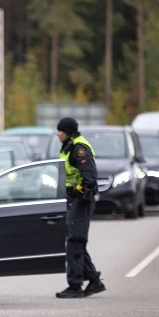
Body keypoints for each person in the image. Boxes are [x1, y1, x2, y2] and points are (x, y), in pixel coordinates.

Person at [55, 117, 106, 299]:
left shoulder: (79, 148)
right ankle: (94, 281)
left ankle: (75, 286)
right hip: (74, 199)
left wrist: (80, 193)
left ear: (67, 132)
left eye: (59, 130)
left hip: (82, 200)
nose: (57, 133)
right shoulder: (69, 146)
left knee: (75, 241)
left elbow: (89, 177)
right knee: (76, 241)